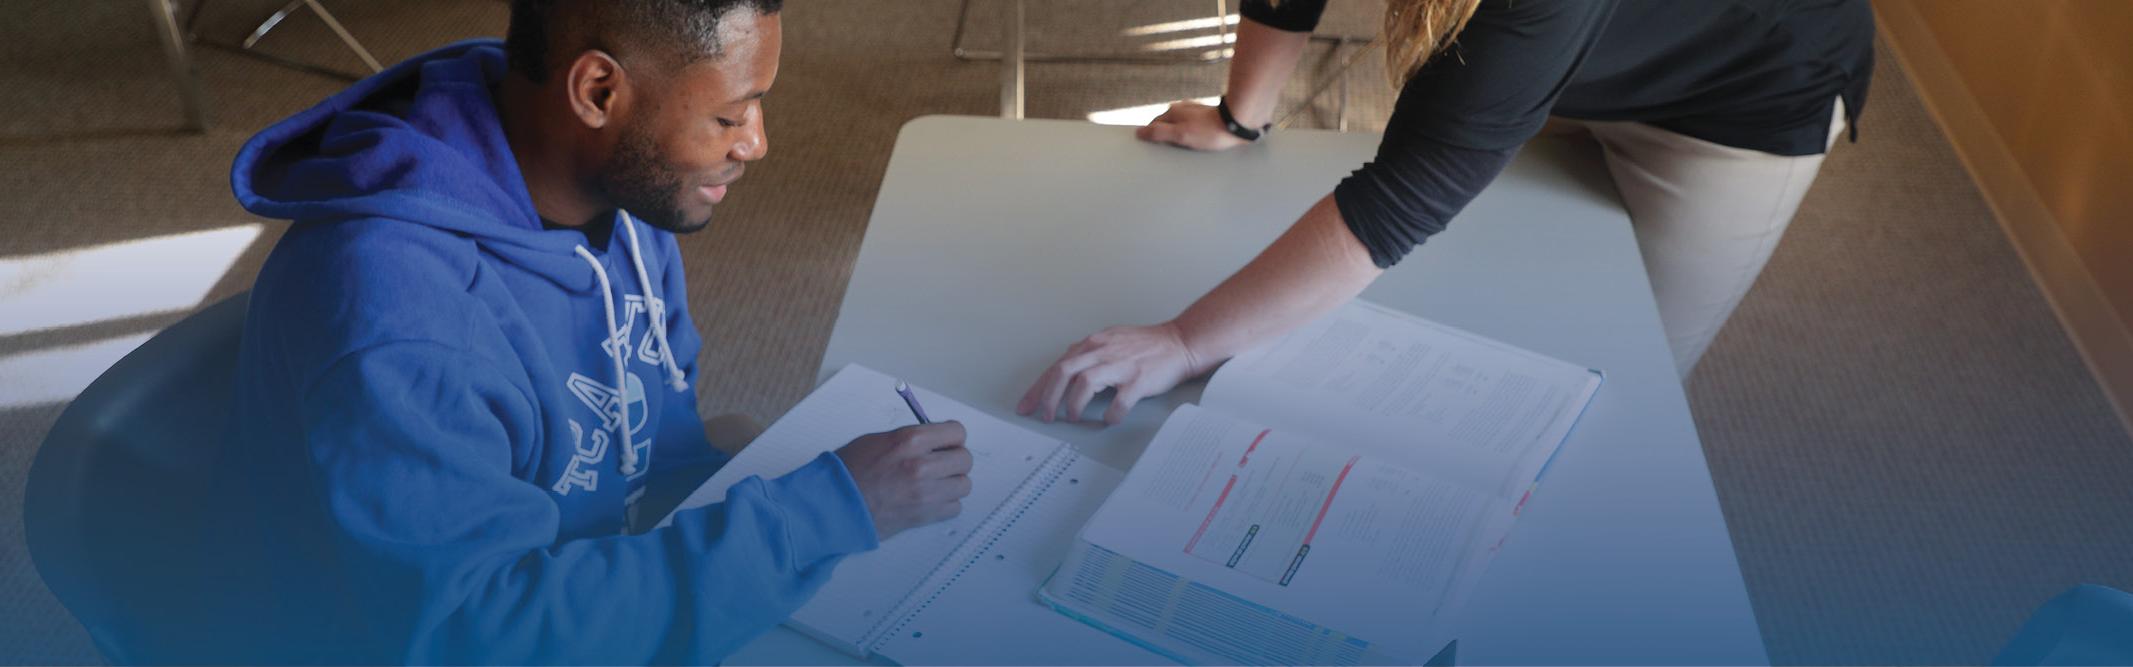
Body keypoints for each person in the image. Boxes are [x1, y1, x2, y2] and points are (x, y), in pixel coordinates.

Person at [209, 0, 973, 662]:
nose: (754, 144)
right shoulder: (401, 321)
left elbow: (660, 449)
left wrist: (784, 506)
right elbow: (477, 637)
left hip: (597, 572)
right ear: (598, 90)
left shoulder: (616, 188)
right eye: (728, 115)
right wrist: (819, 517)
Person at [1021, 0, 1874, 425]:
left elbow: (1405, 195)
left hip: (1735, 104)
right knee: (1465, 301)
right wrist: (1243, 114)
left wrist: (1182, 340)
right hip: (1567, 57)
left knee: (1615, 387)